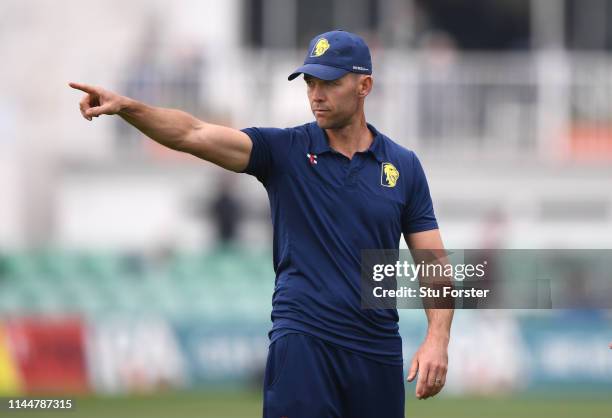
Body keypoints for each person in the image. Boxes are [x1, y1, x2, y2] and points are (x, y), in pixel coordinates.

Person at [70, 29, 453, 418]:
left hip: (377, 350)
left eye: (330, 83)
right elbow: (192, 133)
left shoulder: (403, 166)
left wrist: (437, 339)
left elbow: (434, 263)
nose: (316, 95)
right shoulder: (284, 151)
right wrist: (128, 107)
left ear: (364, 86)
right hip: (304, 343)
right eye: (310, 82)